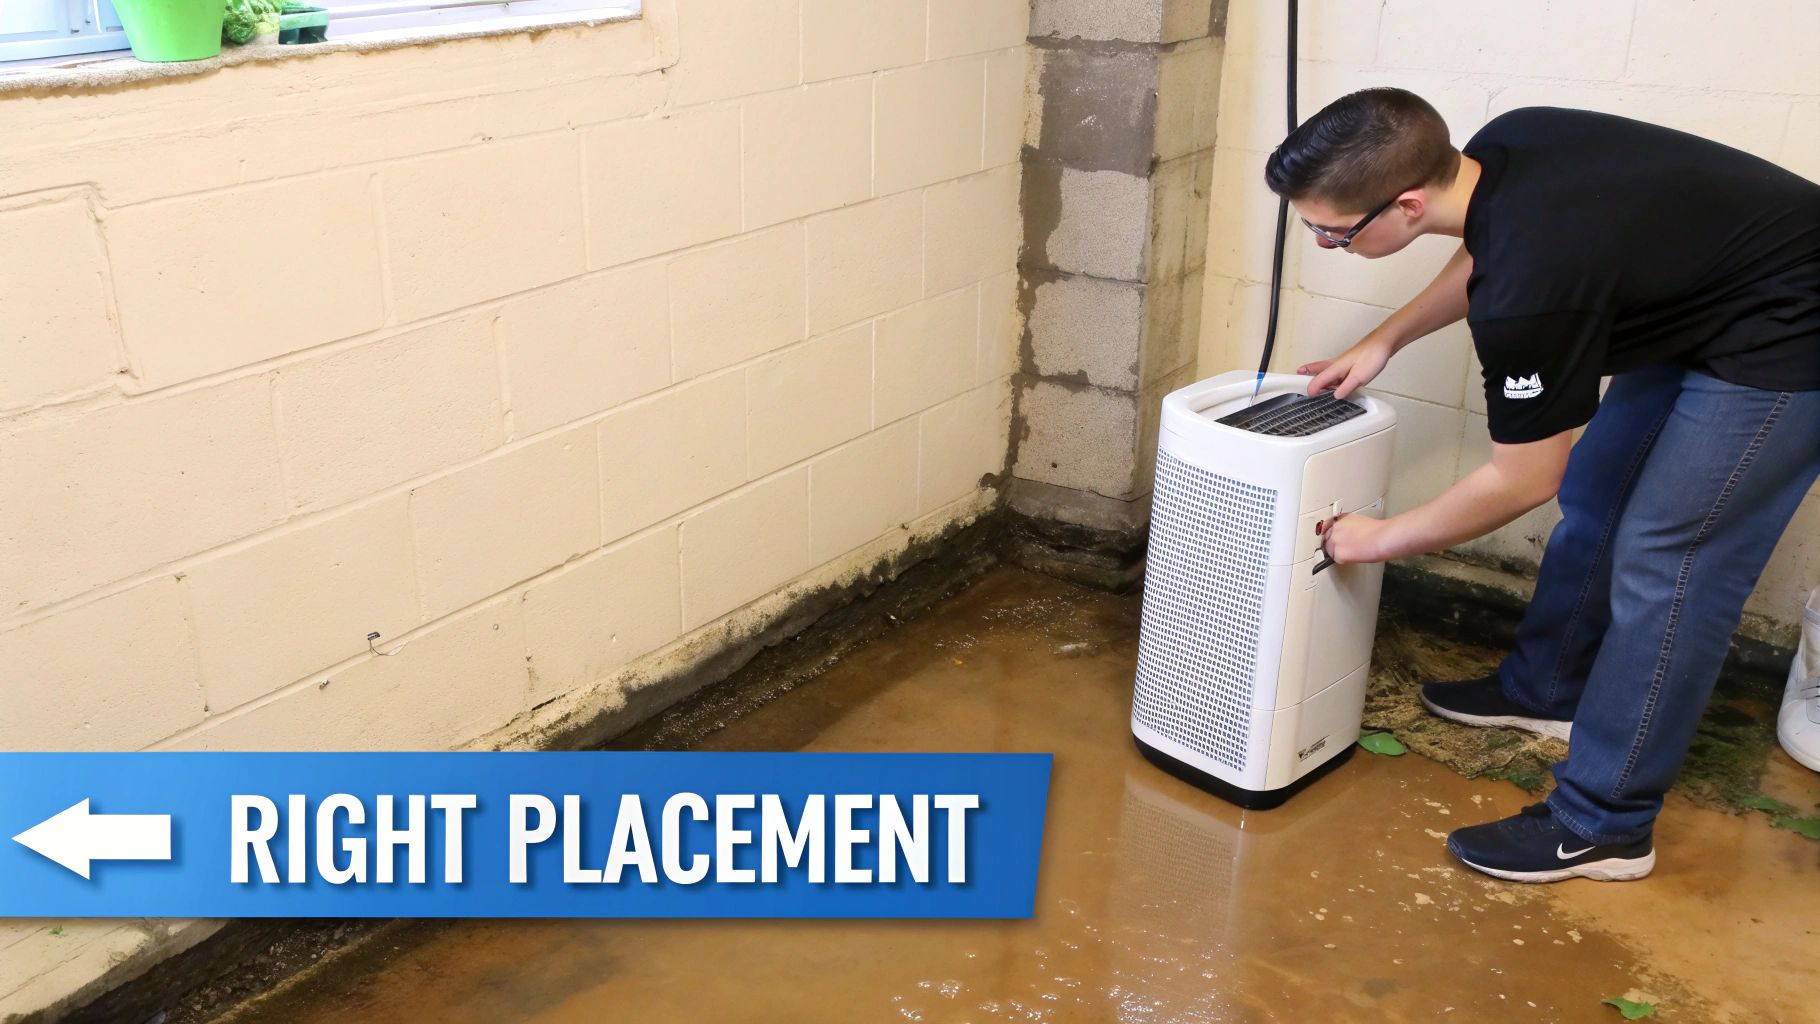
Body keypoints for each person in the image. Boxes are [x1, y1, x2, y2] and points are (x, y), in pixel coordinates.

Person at [1263, 88, 1820, 883]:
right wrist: (1383, 338)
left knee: (1669, 561)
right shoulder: (1505, 147)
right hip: (1716, 296)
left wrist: (1374, 540)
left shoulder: (1530, 296)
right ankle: (1547, 688)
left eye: (1333, 232)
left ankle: (1604, 825)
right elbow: (1486, 249)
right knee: (1600, 490)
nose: (1320, 243)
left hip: (1792, 324)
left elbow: (1523, 479)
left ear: (1409, 203)